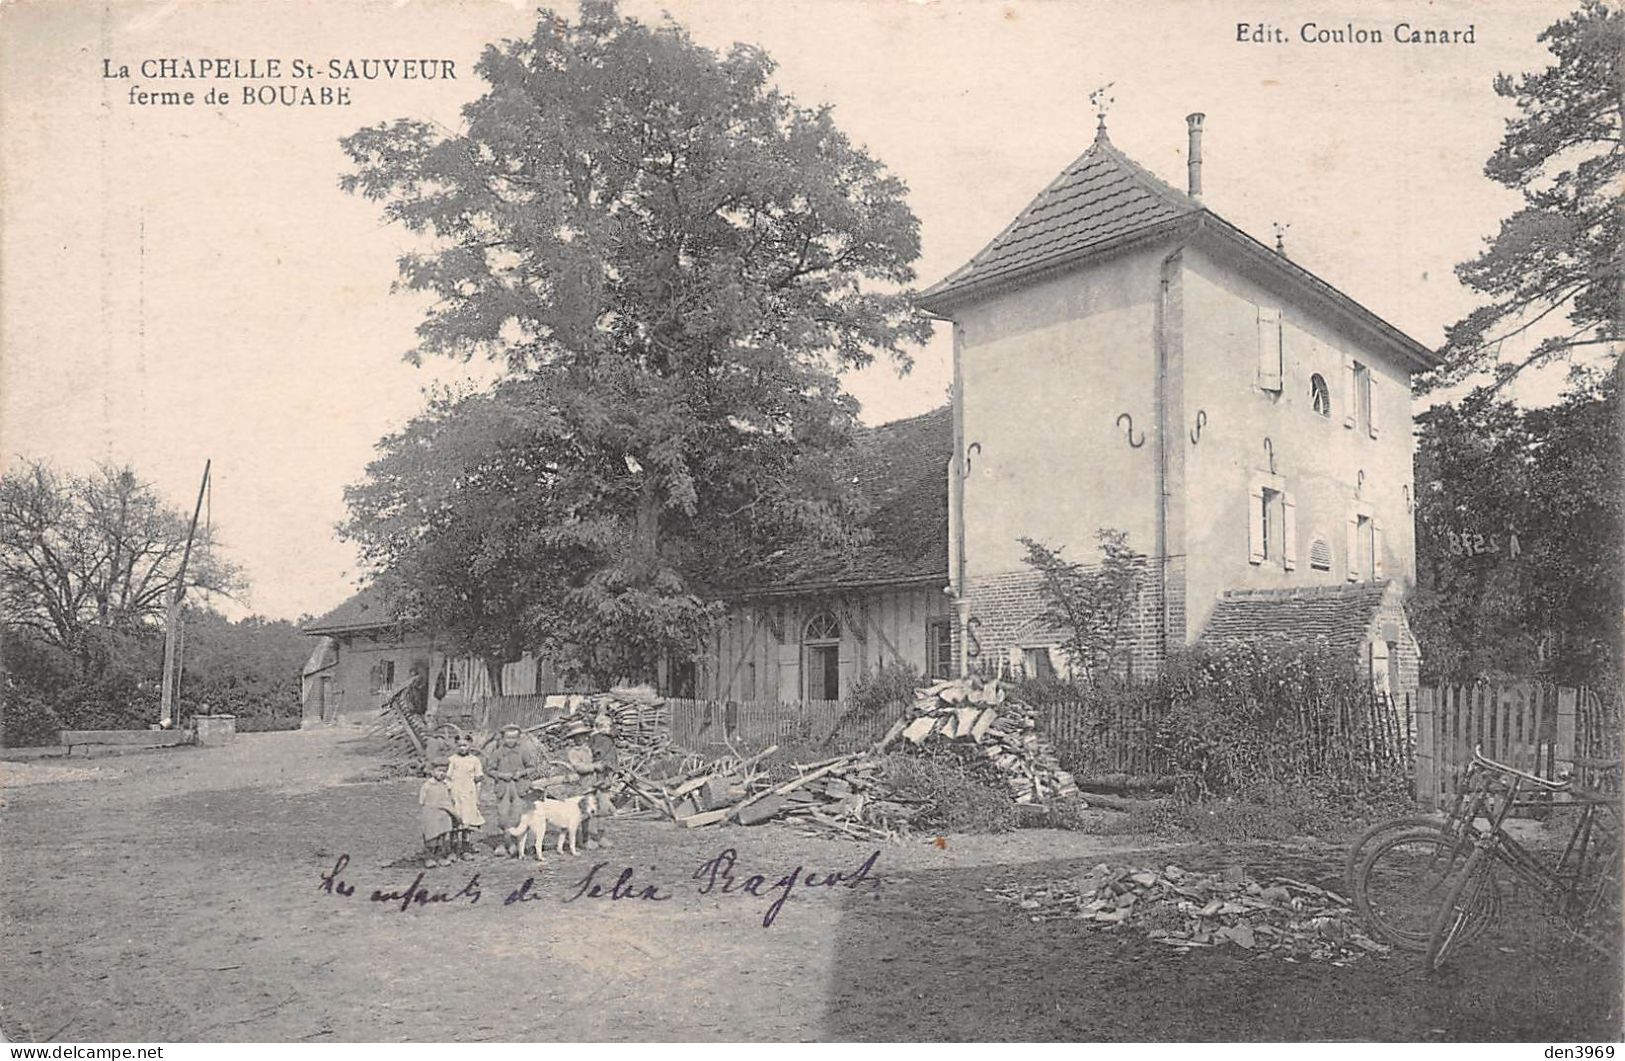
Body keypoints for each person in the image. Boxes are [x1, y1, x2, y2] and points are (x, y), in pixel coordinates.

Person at [487, 724, 538, 858]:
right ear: (503, 738)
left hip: (519, 787)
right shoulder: (498, 752)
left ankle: (519, 844)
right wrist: (501, 775)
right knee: (503, 816)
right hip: (503, 788)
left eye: (514, 738)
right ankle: (507, 843)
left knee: (517, 815)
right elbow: (489, 770)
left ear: (518, 738)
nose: (511, 740)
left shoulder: (523, 751)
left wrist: (521, 773)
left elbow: (532, 767)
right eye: (508, 738)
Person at [445, 734, 485, 860]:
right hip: (455, 792)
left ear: (470, 745)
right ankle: (453, 849)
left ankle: (465, 848)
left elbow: (478, 780)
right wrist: (449, 792)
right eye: (460, 746)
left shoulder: (475, 760)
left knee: (467, 820)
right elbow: (448, 778)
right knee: (456, 820)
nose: (462, 748)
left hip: (469, 793)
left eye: (465, 745)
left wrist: (477, 796)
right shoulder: (452, 760)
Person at [418, 761, 457, 868]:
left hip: (444, 813)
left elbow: (452, 797)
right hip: (431, 813)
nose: (442, 773)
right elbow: (422, 801)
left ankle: (440, 857)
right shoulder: (427, 785)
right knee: (431, 836)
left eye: (444, 771)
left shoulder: (447, 784)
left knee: (442, 835)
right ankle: (429, 857)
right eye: (439, 771)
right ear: (432, 772)